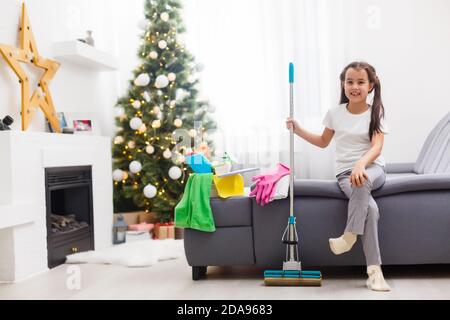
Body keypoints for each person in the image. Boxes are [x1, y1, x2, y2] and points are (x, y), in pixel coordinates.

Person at [286, 61, 390, 291]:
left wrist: (361, 164)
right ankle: (375, 272)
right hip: (345, 174)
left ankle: (349, 236)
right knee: (370, 210)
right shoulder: (334, 114)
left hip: (373, 169)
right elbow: (323, 142)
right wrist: (299, 129)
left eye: (361, 82)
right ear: (343, 84)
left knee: (362, 178)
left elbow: (377, 147)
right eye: (349, 81)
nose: (354, 86)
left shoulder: (376, 112)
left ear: (371, 86)